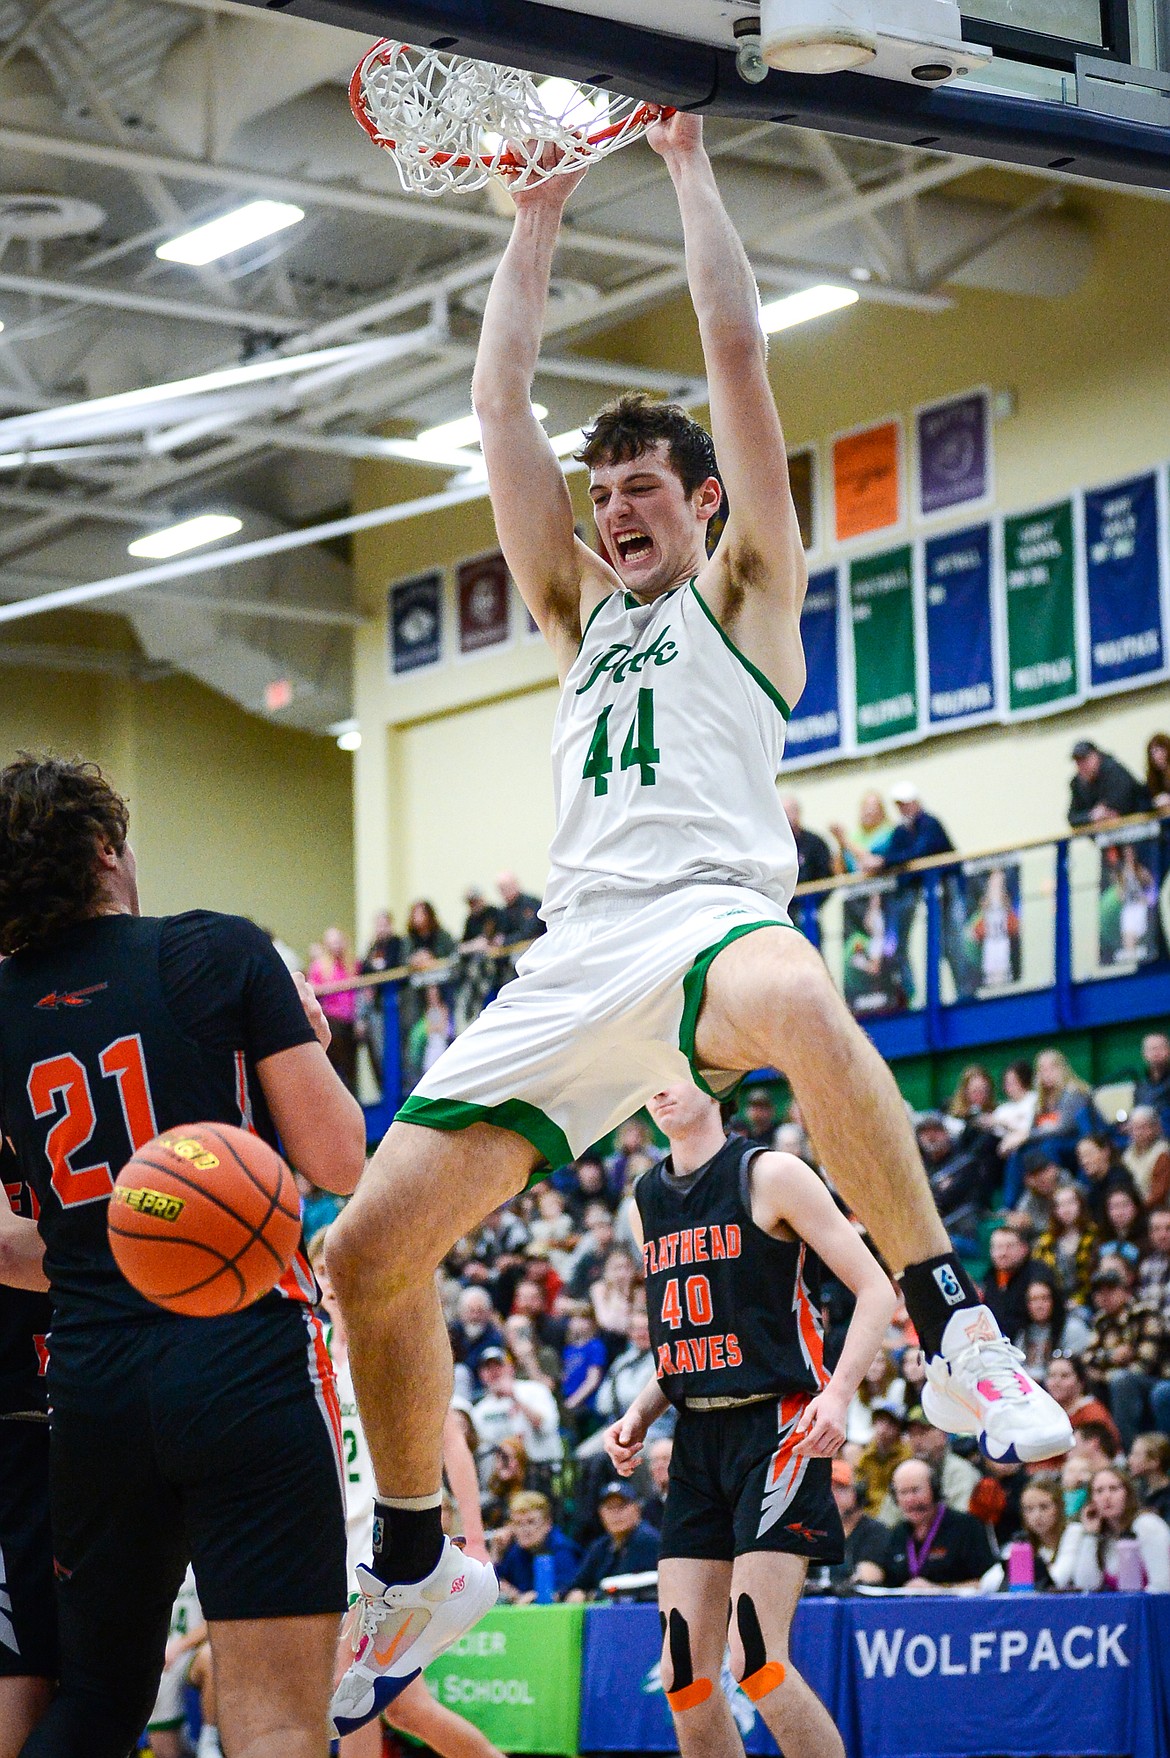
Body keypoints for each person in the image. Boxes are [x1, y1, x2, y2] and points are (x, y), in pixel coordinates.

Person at [324, 116, 1071, 1731]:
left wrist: (683, 167)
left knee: (799, 992)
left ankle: (955, 1324)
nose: (619, 510)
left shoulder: (750, 595)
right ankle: (413, 1552)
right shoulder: (577, 612)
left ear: (703, 502)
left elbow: (737, 347)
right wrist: (532, 216)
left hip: (709, 921)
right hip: (569, 949)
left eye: (647, 488)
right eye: (608, 497)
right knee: (362, 1251)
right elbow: (494, 410)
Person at [0, 755, 366, 1758]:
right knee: (277, 1723)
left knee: (96, 1707)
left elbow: (3, 1245)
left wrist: (102, 1251)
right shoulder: (219, 952)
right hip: (242, 1359)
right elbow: (339, 1158)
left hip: (89, 1384)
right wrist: (307, 1042)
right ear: (107, 847)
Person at [603, 1080, 896, 1758]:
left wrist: (841, 1390)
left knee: (757, 1660)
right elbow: (692, 1338)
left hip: (780, 1427)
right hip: (696, 1435)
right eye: (646, 1075)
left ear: (717, 1085)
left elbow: (876, 1287)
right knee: (683, 1676)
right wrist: (642, 1410)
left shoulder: (770, 1173)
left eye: (673, 1071)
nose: (656, 1088)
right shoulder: (645, 1198)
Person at [311, 1238, 502, 1758]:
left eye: (338, 1271)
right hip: (329, 1543)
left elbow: (453, 1446)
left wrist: (478, 1540)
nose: (331, 1284)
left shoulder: (390, 1346)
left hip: (385, 1541)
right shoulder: (312, 1354)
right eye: (321, 1273)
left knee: (350, 1698)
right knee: (399, 1707)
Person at [0, 1154, 55, 1758]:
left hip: (87, 1417)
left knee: (105, 1694)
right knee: (22, 1687)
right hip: (13, 1430)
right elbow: (9, 1251)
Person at [1051, 1464, 1170, 1591]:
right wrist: (1091, 1535)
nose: (1106, 1497)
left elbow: (1162, 1585)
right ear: (1092, 1500)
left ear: (1128, 1494)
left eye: (1113, 1489)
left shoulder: (1147, 1525)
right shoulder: (1103, 1534)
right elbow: (1087, 1585)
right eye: (1099, 1491)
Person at [883, 1459, 996, 1591]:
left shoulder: (967, 1527)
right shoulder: (897, 1534)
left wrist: (939, 1589)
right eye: (903, 1492)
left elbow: (987, 1583)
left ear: (934, 1489)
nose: (910, 1499)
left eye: (915, 1491)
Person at [564, 1481, 661, 1601]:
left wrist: (591, 1596)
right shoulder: (601, 1546)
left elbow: (627, 1586)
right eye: (609, 1508)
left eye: (622, 1506)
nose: (616, 1514)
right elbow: (578, 1583)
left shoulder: (649, 1541)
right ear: (600, 1513)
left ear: (637, 1508)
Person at [981, 1474, 1066, 1593]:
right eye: (1029, 1509)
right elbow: (987, 1582)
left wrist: (1026, 1573)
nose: (1037, 1516)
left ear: (1059, 1507)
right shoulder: (1022, 1544)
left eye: (1044, 1507)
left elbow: (1059, 1579)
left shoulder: (1073, 1533)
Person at [494, 1492, 581, 1603]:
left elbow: (564, 1591)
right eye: (518, 1523)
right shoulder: (516, 1551)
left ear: (547, 1523)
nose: (524, 1530)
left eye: (531, 1522)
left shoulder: (562, 1550)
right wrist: (496, 1552)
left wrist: (526, 1597)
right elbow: (496, 1582)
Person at [309, 927, 360, 1093]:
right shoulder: (319, 967)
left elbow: (360, 993)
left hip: (352, 1019)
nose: (335, 946)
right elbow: (313, 991)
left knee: (351, 1065)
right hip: (332, 1019)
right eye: (331, 942)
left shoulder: (354, 964)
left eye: (338, 941)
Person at [824, 1460, 890, 1588]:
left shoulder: (875, 1532)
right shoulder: (815, 1533)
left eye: (840, 1489)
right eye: (827, 1490)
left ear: (858, 1492)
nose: (833, 1497)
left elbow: (869, 1577)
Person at [1015, 1278, 1091, 1380]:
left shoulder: (1073, 1328)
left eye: (1044, 1299)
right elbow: (1017, 1366)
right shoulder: (1024, 1333)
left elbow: (1074, 1371)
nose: (1039, 1305)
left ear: (1054, 1300)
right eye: (1033, 1300)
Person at [1044, 1356, 1122, 1455]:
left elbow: (1103, 1456)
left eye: (1065, 1376)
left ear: (1081, 1382)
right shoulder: (1046, 1411)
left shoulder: (1092, 1413)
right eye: (1051, 1376)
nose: (1056, 1382)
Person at [1067, 740, 1151, 826]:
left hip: (1140, 825)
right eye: (1078, 762)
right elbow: (1072, 818)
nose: (1082, 765)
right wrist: (1091, 816)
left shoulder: (1114, 770)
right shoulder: (1077, 783)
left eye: (1085, 759)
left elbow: (1123, 803)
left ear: (1096, 756)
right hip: (1107, 834)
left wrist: (1105, 810)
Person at [1124, 1107, 1170, 1208]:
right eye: (1134, 1128)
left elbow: (1159, 1194)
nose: (1138, 1133)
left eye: (1143, 1127)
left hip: (1157, 1209)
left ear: (1157, 1128)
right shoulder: (1127, 1155)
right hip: (1131, 1208)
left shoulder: (1163, 1153)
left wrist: (1137, 1210)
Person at [1130, 1432, 1170, 1522]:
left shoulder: (1167, 1498)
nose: (1130, 1460)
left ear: (1154, 1462)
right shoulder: (1139, 1490)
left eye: (1136, 1455)